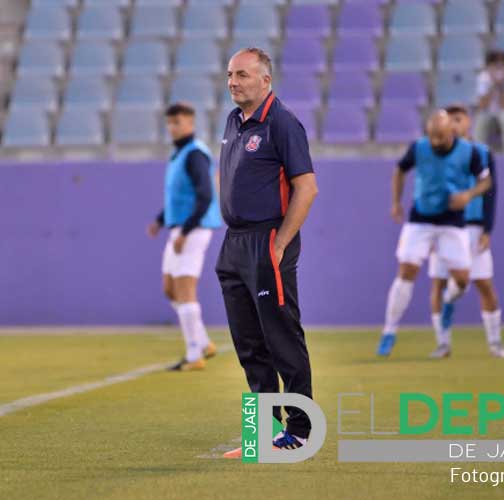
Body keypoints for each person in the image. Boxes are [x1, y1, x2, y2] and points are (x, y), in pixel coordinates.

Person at [217, 48, 318, 457]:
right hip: (234, 244)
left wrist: (279, 243)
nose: (233, 82)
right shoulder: (233, 121)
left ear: (265, 80)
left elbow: (306, 188)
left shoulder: (282, 122)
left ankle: (301, 433)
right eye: (229, 75)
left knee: (281, 338)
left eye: (242, 74)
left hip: (267, 241)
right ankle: (260, 435)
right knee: (249, 345)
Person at [377, 111, 491, 357]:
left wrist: (468, 195)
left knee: (462, 280)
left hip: (452, 221)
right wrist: (396, 202)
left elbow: (486, 181)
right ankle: (389, 331)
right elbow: (399, 170)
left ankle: (450, 299)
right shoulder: (419, 147)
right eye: (432, 136)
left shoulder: (468, 152)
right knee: (407, 270)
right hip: (421, 218)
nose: (436, 142)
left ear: (452, 131)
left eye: (441, 136)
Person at [427, 105, 504, 359]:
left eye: (458, 120)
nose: (453, 125)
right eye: (449, 121)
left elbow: (491, 191)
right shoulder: (436, 153)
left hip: (472, 226)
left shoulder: (482, 153)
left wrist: (487, 228)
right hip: (444, 226)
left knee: (484, 284)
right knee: (439, 284)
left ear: (468, 122)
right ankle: (443, 343)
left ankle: (495, 343)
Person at [147, 103, 222, 372]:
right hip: (179, 227)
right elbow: (181, 196)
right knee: (170, 289)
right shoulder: (179, 154)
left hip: (193, 229)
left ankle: (194, 356)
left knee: (185, 289)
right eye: (169, 123)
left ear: (190, 124)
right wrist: (159, 220)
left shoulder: (195, 155)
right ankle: (203, 342)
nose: (172, 127)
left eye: (177, 122)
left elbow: (205, 196)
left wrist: (187, 231)